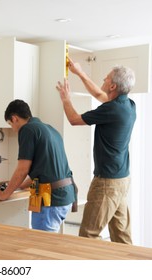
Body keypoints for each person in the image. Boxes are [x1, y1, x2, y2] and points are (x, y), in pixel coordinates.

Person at [56, 58, 136, 244]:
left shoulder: (112, 110)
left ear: (113, 86)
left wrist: (66, 99)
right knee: (121, 236)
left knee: (88, 236)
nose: (103, 80)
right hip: (121, 181)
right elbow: (100, 95)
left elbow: (74, 119)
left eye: (106, 79)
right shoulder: (129, 105)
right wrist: (80, 73)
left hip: (107, 183)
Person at [0, 99, 77, 232]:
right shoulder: (49, 129)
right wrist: (21, 185)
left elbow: (22, 169)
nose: (13, 129)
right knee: (46, 245)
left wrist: (4, 194)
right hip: (66, 195)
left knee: (41, 247)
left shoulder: (27, 130)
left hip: (51, 199)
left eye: (10, 124)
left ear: (14, 118)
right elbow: (44, 169)